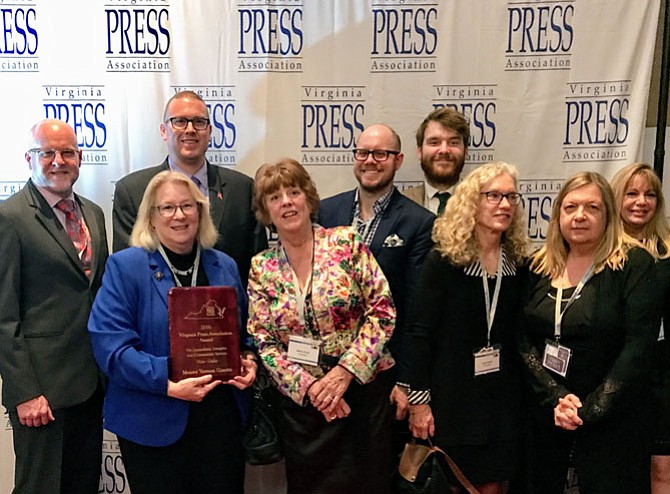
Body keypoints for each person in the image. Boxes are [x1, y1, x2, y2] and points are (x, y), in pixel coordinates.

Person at [88, 171, 257, 494]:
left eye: (188, 206)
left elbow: (244, 334)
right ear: (151, 218)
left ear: (201, 212)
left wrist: (248, 360)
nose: (179, 215)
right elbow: (111, 348)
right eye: (167, 208)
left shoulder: (224, 265)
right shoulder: (126, 267)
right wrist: (169, 381)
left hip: (219, 420)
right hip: (153, 419)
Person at [247, 158, 396, 494]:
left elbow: (382, 311)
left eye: (294, 191)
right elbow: (264, 341)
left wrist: (344, 373)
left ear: (308, 198)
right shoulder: (262, 267)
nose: (286, 201)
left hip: (361, 397)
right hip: (305, 411)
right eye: (275, 197)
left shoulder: (346, 243)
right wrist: (313, 390)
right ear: (265, 211)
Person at [519, 171, 660, 493]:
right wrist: (554, 398)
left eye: (592, 208)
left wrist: (591, 409)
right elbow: (521, 338)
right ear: (557, 215)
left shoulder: (633, 264)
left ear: (608, 214)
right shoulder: (538, 265)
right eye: (570, 207)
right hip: (548, 415)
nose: (580, 216)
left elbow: (638, 345)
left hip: (614, 419)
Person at [406, 162, 530, 494]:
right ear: (471, 202)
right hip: (451, 400)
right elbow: (419, 335)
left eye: (510, 197)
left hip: (501, 402)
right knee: (450, 485)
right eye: (493, 196)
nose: (504, 205)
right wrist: (419, 403)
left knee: (492, 485)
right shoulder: (444, 261)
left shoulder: (518, 263)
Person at [0, 119, 108, 494]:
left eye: (67, 152)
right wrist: (24, 391)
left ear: (80, 158)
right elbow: (3, 314)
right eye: (47, 153)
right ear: (29, 158)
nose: (58, 161)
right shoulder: (10, 217)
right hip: (41, 392)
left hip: (90, 385)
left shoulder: (93, 213)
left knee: (83, 484)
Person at [318, 123, 435, 421]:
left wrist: (406, 381)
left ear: (398, 160)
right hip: (328, 373)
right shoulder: (325, 211)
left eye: (381, 154)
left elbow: (416, 311)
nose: (370, 160)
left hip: (385, 370)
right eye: (363, 152)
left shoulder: (419, 222)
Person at [112, 90, 267, 284]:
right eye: (180, 121)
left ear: (209, 131)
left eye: (199, 122)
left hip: (224, 309)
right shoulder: (132, 191)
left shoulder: (242, 190)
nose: (190, 129)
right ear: (163, 130)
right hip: (155, 308)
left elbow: (257, 268)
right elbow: (125, 271)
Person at [610, 163, 670, 494]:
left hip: (660, 375)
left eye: (649, 194)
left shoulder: (668, 251)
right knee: (621, 470)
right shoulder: (601, 252)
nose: (641, 201)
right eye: (631, 193)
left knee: (662, 468)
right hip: (614, 372)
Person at [403, 107, 470, 215]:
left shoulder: (480, 203)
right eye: (434, 142)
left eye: (453, 143)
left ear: (465, 151)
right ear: (420, 151)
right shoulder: (402, 204)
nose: (444, 150)